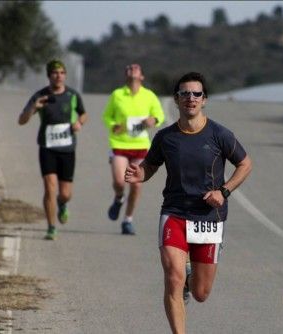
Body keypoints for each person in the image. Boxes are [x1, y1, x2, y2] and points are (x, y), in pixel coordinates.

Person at [125, 72, 252, 333]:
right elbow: (150, 165)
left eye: (196, 94)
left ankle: (189, 280)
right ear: (176, 99)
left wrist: (224, 191)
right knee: (173, 277)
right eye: (185, 94)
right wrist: (141, 174)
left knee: (201, 293)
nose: (190, 98)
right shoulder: (165, 137)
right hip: (174, 214)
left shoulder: (220, 135)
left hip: (209, 218)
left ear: (204, 100)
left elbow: (245, 164)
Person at [18, 59, 87, 240]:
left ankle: (62, 204)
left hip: (67, 149)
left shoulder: (72, 95)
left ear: (65, 75)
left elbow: (84, 113)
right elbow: (22, 120)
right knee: (49, 188)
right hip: (47, 147)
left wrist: (79, 123)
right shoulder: (40, 96)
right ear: (49, 76)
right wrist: (34, 107)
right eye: (55, 73)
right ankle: (51, 227)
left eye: (62, 73)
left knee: (65, 193)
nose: (59, 76)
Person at [102, 63, 165, 235]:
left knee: (136, 184)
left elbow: (159, 114)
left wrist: (154, 120)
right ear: (126, 74)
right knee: (119, 182)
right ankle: (119, 197)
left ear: (142, 76)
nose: (132, 69)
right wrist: (113, 124)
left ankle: (128, 220)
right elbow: (107, 115)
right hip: (120, 144)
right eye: (129, 68)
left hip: (140, 146)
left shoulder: (149, 95)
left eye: (136, 68)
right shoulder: (117, 95)